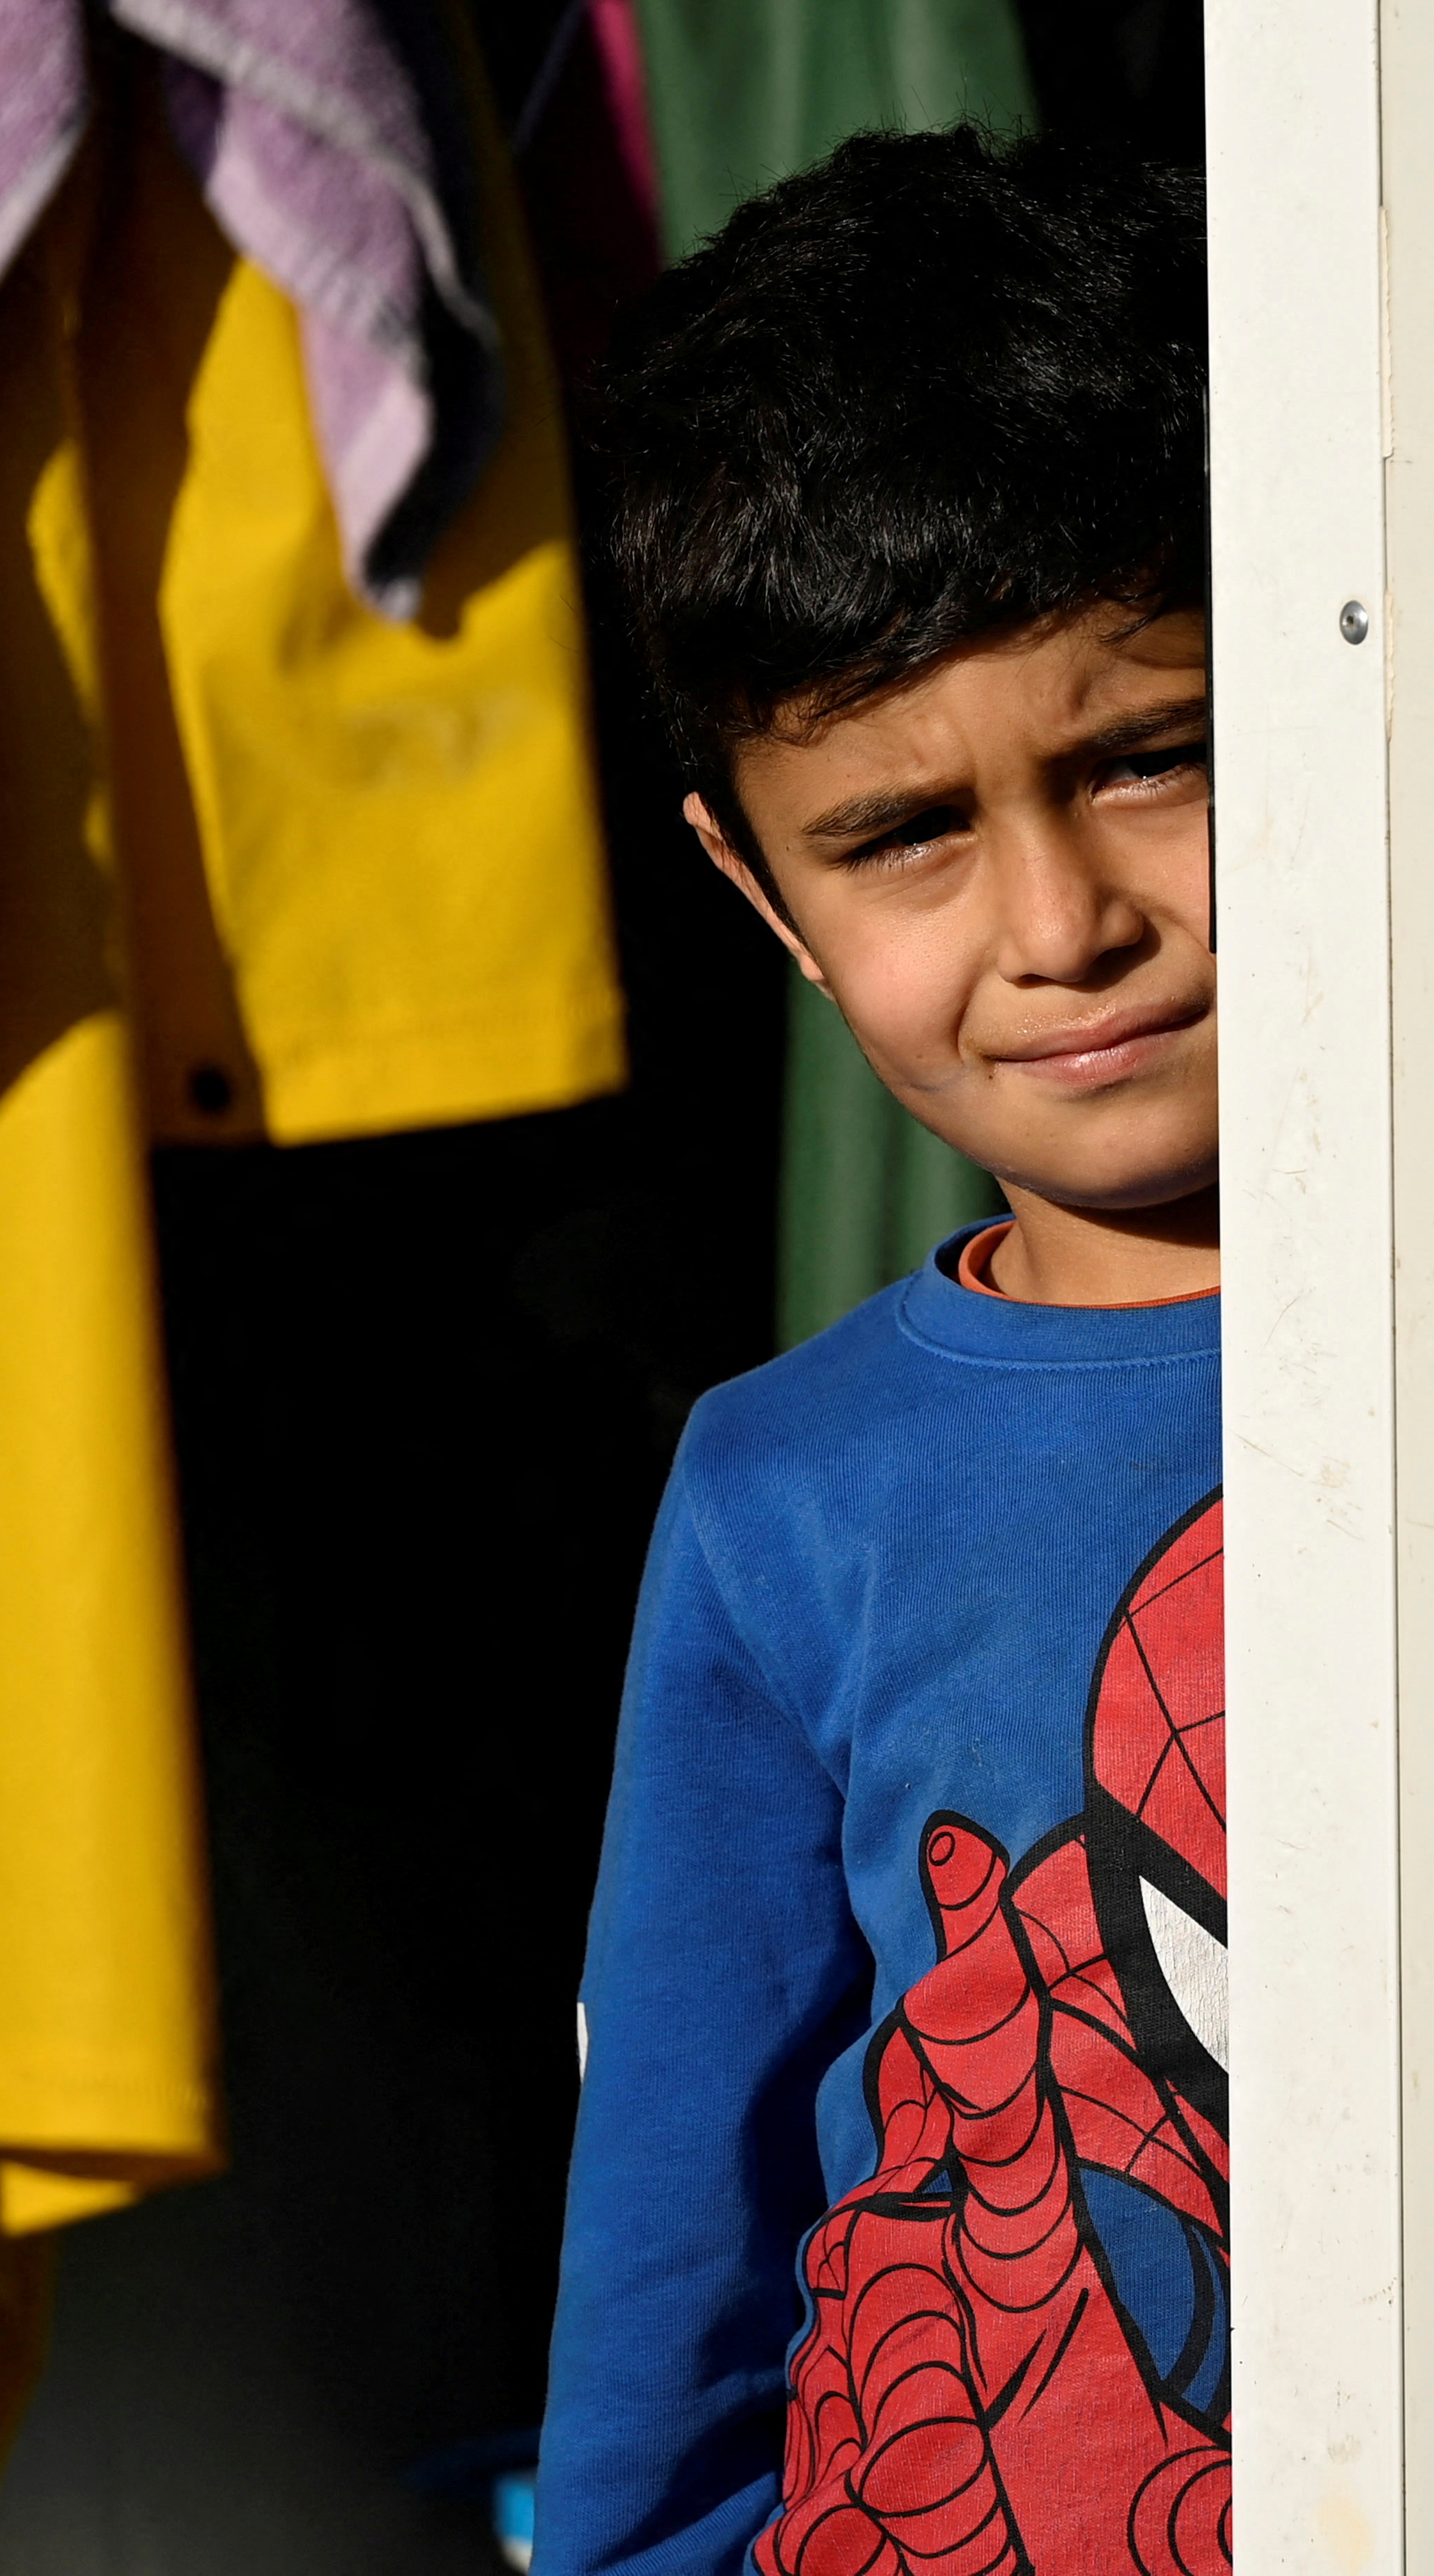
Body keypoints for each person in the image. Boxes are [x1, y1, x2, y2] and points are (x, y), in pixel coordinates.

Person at [541, 128, 1232, 2576]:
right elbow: (678, 2247)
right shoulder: (781, 1497)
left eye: (1149, 756)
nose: (1063, 922)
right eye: (908, 832)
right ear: (759, 886)